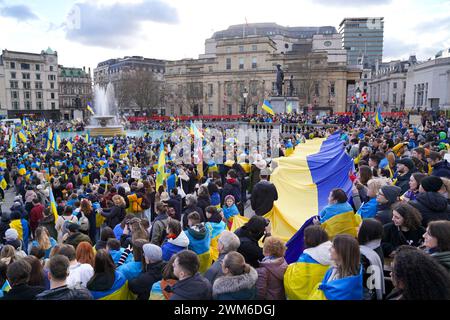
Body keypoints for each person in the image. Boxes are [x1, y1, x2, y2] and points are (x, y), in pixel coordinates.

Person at [284, 225, 332, 300]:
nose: (303, 238)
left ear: (309, 239)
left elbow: (295, 283)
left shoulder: (306, 257)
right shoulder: (335, 254)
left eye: (305, 236)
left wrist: (290, 267)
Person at [309, 235, 363, 300]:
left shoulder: (350, 286)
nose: (329, 249)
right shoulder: (332, 270)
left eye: (333, 247)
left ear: (342, 251)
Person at [358, 219, 385, 300]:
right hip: (373, 290)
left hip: (365, 293)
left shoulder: (364, 254)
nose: (356, 229)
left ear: (365, 233)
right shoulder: (376, 246)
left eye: (359, 228)